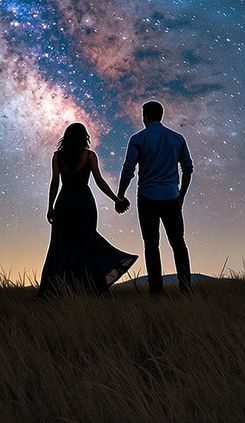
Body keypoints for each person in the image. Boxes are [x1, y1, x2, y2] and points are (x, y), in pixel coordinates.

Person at [38, 122, 138, 296]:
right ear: (84, 137)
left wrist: (50, 207)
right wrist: (117, 198)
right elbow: (99, 181)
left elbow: (55, 183)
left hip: (64, 203)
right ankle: (90, 288)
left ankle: (56, 289)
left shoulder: (57, 156)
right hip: (85, 204)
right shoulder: (90, 155)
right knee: (86, 245)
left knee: (61, 246)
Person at [116, 100, 193, 295]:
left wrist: (121, 195)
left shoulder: (138, 139)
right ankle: (186, 288)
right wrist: (181, 195)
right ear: (161, 115)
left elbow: (128, 170)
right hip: (171, 196)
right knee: (178, 243)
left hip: (147, 197)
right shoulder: (177, 138)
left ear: (146, 116)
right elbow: (188, 169)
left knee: (151, 245)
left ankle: (156, 292)